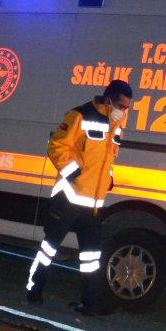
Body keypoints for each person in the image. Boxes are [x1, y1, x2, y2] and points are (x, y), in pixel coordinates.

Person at [26, 80, 134, 315]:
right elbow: (57, 145)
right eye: (121, 105)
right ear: (108, 100)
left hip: (93, 205)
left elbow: (107, 160)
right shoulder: (80, 115)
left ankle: (90, 303)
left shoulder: (117, 124)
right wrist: (74, 172)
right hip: (69, 198)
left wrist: (109, 180)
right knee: (49, 249)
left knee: (91, 258)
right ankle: (34, 290)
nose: (124, 111)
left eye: (127, 107)